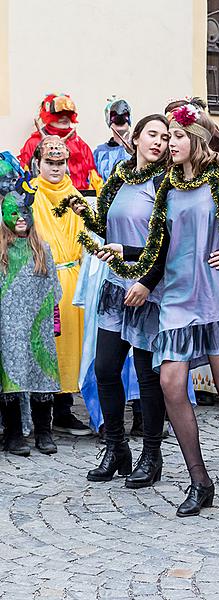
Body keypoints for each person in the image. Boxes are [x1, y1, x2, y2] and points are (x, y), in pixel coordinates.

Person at [111, 101, 219, 517]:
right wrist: (131, 257)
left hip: (215, 296)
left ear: (198, 140)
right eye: (168, 136)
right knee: (171, 384)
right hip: (175, 298)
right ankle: (200, 481)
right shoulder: (166, 185)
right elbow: (162, 245)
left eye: (178, 136)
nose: (170, 143)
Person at [65, 115, 173, 487]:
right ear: (137, 138)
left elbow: (168, 244)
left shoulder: (164, 183)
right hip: (114, 287)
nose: (158, 142)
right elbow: (107, 228)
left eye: (165, 136)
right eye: (152, 135)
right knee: (105, 369)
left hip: (148, 289)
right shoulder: (120, 177)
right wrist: (87, 216)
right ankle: (116, 448)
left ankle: (152, 455)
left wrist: (144, 279)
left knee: (147, 377)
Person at [29, 136, 92, 436]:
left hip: (73, 277)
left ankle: (64, 409)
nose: (56, 168)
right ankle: (41, 411)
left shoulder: (75, 197)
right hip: (42, 278)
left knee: (71, 345)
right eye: (50, 163)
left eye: (61, 163)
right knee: (46, 344)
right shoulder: (31, 196)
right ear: (38, 163)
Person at [0, 178, 63, 456]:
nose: (20, 218)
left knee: (41, 374)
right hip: (8, 328)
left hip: (39, 326)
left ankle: (44, 431)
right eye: (13, 213)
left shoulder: (43, 251)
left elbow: (54, 290)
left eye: (25, 212)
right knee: (12, 375)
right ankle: (13, 435)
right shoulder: (2, 253)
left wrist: (51, 318)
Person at [19, 93, 98, 191]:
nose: (64, 117)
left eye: (68, 113)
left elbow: (93, 180)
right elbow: (24, 178)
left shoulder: (80, 144)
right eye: (59, 114)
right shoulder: (34, 143)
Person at [93, 97, 132, 182]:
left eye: (124, 115)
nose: (120, 119)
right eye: (114, 116)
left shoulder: (139, 149)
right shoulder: (99, 153)